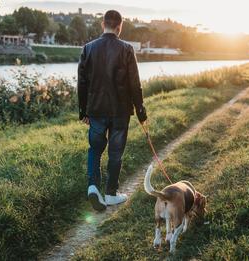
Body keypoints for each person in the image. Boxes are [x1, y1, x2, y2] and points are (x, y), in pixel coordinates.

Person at [78, 10, 148, 211]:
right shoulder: (126, 49)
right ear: (120, 26)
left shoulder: (88, 48)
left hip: (96, 110)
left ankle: (93, 187)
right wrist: (141, 111)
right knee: (115, 153)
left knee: (95, 149)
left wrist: (83, 111)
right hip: (120, 111)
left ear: (103, 24)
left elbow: (82, 83)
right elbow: (135, 84)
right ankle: (110, 193)